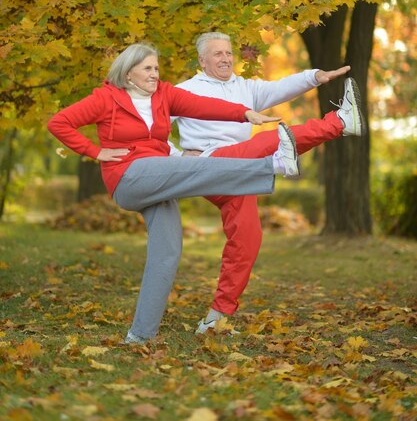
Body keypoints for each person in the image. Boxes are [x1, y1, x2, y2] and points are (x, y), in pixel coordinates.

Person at [47, 42, 304, 345]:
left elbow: (203, 105)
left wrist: (246, 113)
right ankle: (273, 165)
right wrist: (95, 151)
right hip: (129, 177)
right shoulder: (106, 99)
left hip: (160, 180)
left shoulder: (164, 95)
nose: (155, 74)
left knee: (167, 253)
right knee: (195, 167)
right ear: (128, 73)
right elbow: (59, 122)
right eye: (147, 69)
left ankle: (140, 335)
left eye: (157, 68)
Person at [171, 32, 365, 334]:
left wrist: (317, 76)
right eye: (217, 54)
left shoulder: (245, 88)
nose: (225, 58)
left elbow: (281, 88)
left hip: (240, 172)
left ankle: (216, 318)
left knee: (247, 239)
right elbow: (151, 126)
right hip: (208, 165)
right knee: (271, 140)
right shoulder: (184, 90)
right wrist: (176, 155)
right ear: (202, 60)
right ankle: (339, 122)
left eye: (228, 52)